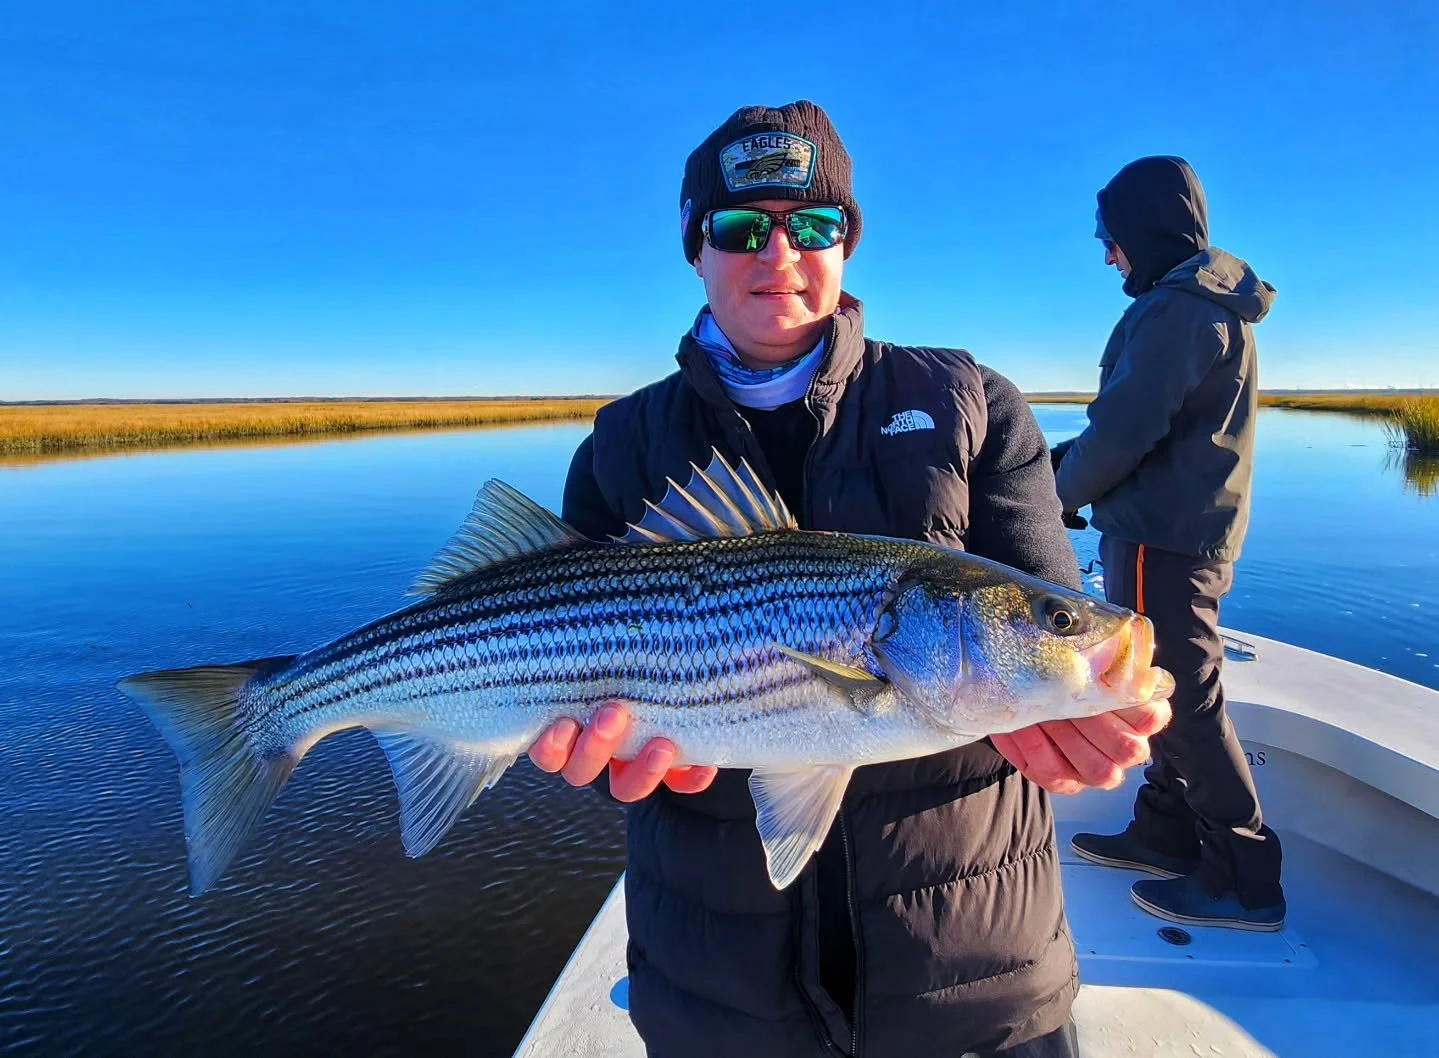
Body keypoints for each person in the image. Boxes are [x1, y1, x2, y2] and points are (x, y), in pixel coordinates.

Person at [525, 100, 1172, 1057]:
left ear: (846, 245)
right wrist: (593, 760)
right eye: (741, 228)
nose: (777, 253)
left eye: (812, 225)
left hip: (972, 970)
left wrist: (1074, 719)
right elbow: (550, 659)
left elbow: (1043, 604)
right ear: (696, 251)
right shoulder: (624, 438)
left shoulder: (969, 402)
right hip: (717, 989)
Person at [1052, 155, 1285, 931]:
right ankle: (1164, 833)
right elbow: (1126, 430)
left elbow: (1123, 432)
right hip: (1169, 531)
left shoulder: (1177, 310)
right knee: (1150, 681)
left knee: (1180, 693)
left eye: (1108, 235)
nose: (1105, 253)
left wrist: (1043, 498)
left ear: (1145, 229)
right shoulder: (1196, 304)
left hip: (1163, 539)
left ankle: (1242, 879)